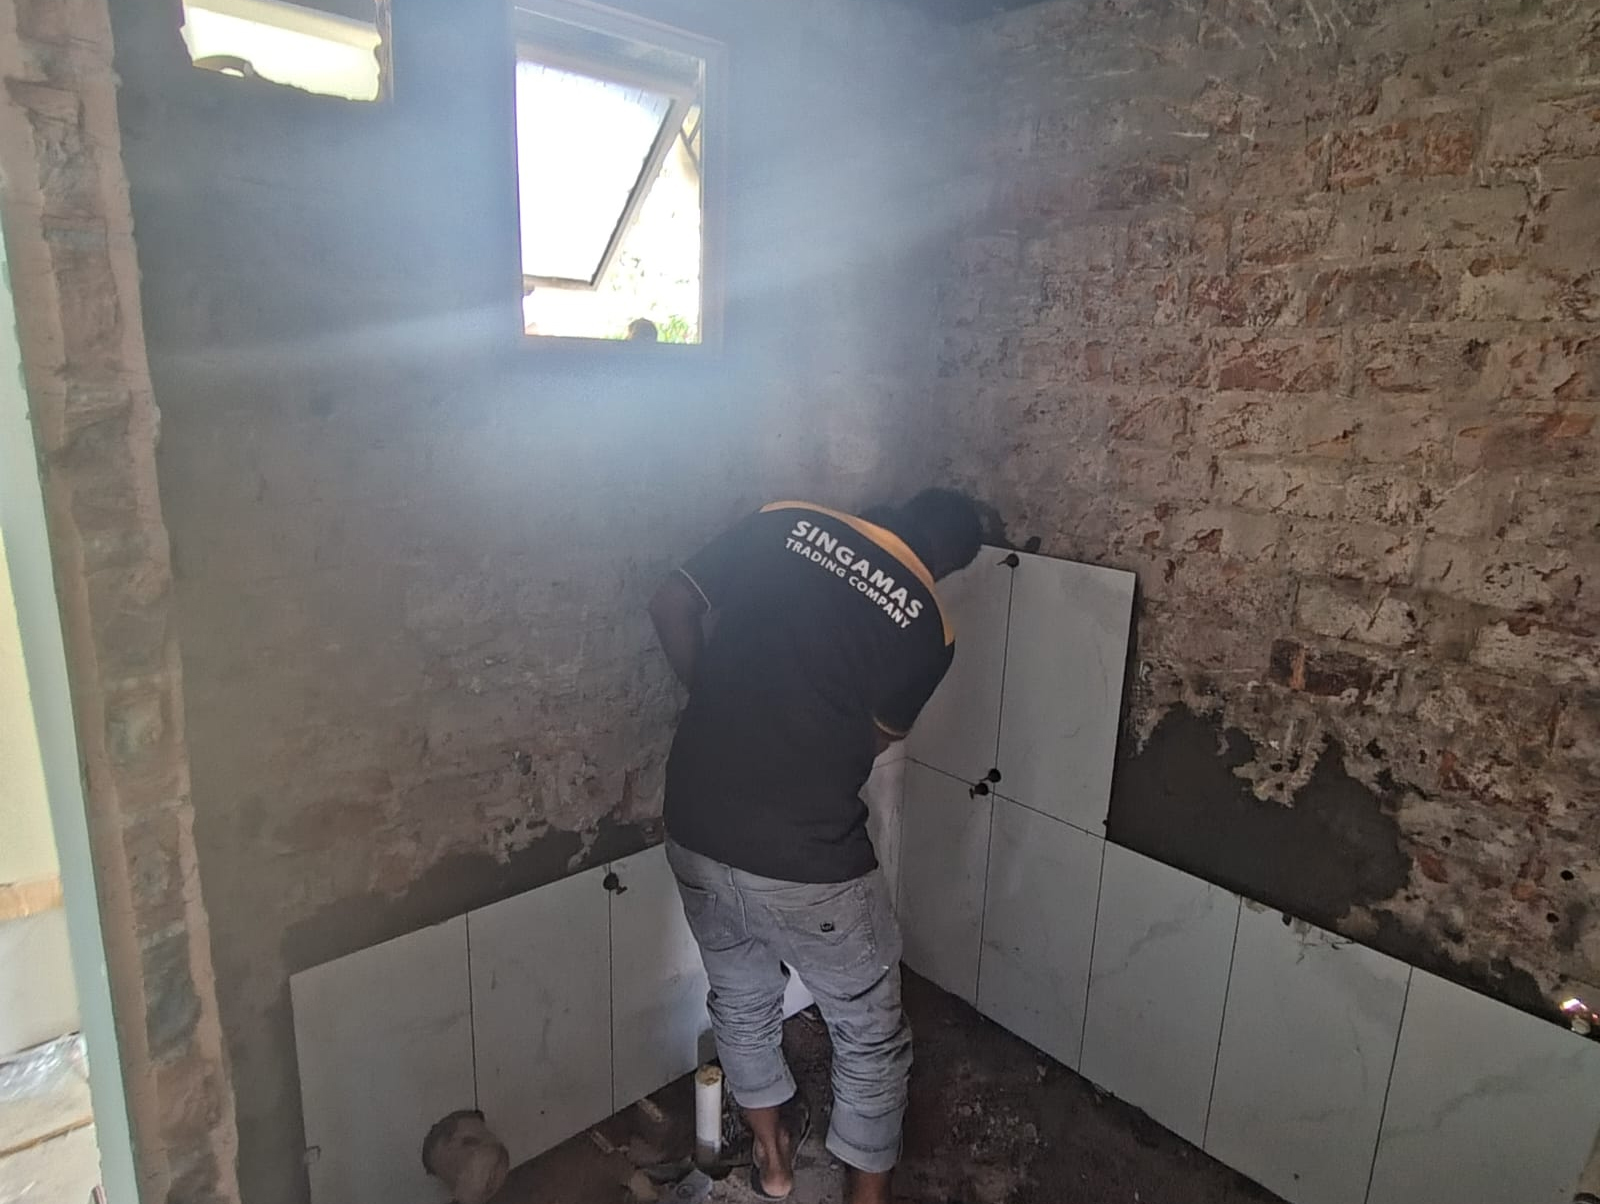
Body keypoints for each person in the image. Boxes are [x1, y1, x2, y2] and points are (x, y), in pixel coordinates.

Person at [647, 490, 983, 1204]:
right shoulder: (930, 625)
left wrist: (713, 702)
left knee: (741, 1002)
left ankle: (773, 1164)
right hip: (810, 856)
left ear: (896, 513)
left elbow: (670, 602)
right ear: (945, 567)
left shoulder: (785, 519)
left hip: (696, 821)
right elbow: (878, 738)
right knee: (867, 1030)